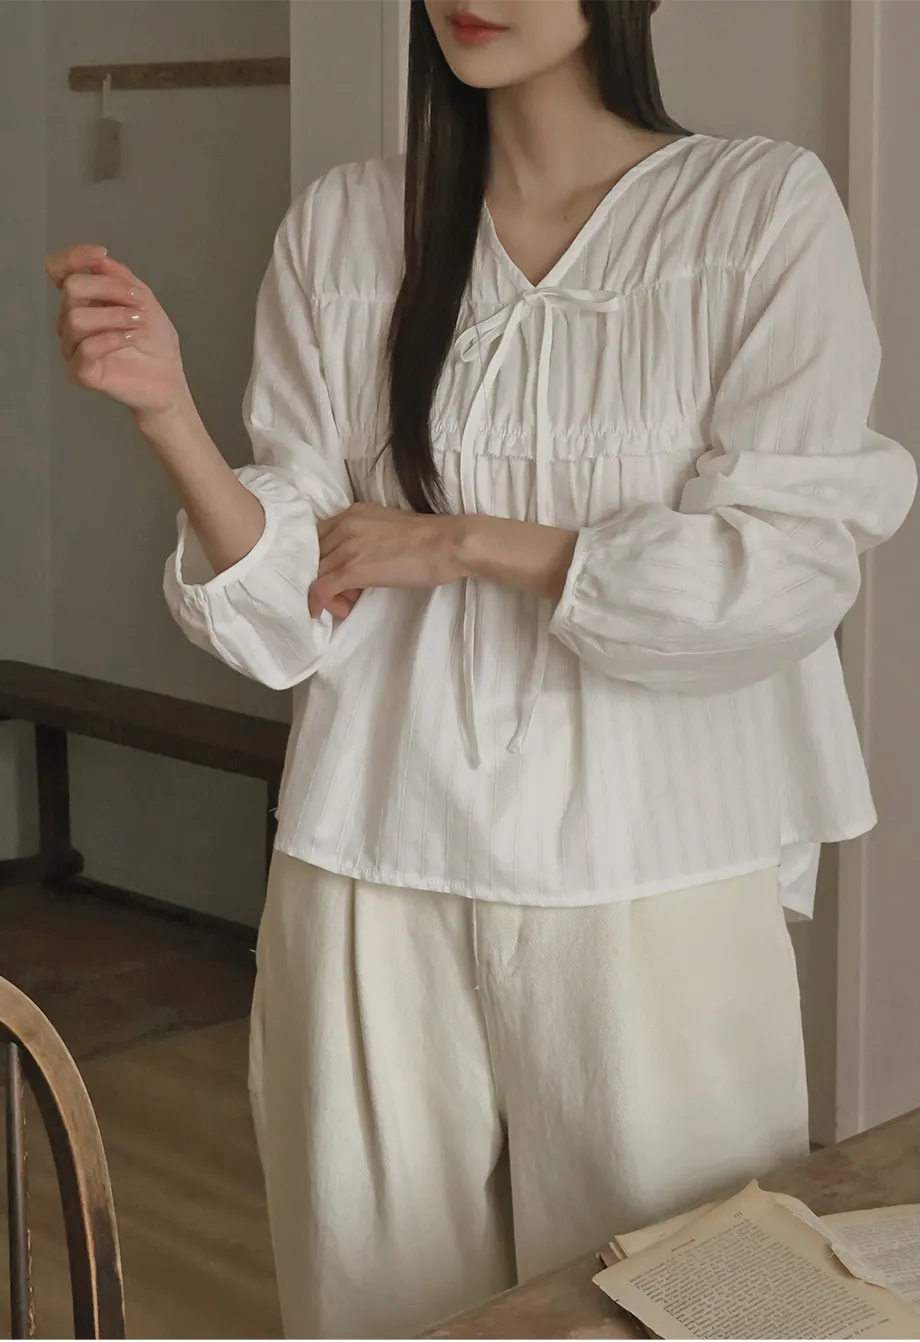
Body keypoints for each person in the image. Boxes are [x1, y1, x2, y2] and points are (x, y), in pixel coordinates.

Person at [47, 0, 915, 1336]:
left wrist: (465, 542)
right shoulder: (347, 227)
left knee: (682, 1307)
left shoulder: (754, 211)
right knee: (374, 1311)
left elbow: (783, 571)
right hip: (369, 867)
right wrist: (171, 417)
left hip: (653, 874)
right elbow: (295, 603)